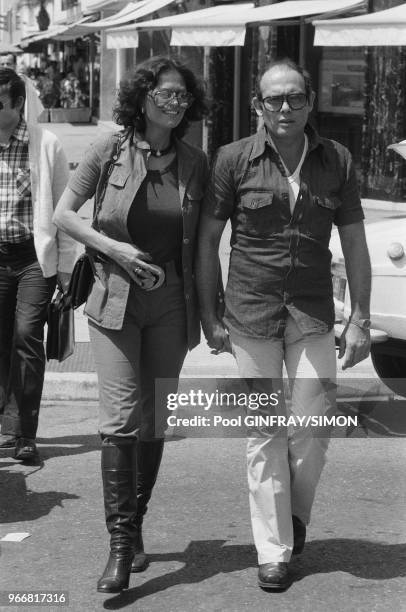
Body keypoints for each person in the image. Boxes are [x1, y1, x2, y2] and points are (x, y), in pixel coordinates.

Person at [196, 58, 371, 590]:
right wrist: (210, 313)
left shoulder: (335, 160)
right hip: (250, 314)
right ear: (258, 106)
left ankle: (293, 518)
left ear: (310, 101)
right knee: (264, 432)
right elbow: (207, 242)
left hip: (314, 312)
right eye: (275, 99)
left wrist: (360, 317)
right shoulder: (232, 160)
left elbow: (357, 244)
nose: (286, 107)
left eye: (295, 97)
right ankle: (273, 549)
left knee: (314, 428)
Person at [53, 56, 208, 593]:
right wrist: (111, 244)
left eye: (182, 96)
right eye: (165, 93)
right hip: (114, 297)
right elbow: (65, 213)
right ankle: (120, 547)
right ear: (142, 97)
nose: (174, 102)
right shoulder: (109, 149)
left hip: (171, 303)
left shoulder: (194, 161)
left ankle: (137, 525)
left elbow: (205, 242)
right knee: (120, 419)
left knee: (155, 416)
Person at [0, 68, 75, 462]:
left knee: (27, 336)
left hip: (33, 258)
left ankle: (25, 433)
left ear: (17, 104)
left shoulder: (46, 145)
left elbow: (65, 209)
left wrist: (65, 267)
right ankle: (5, 428)